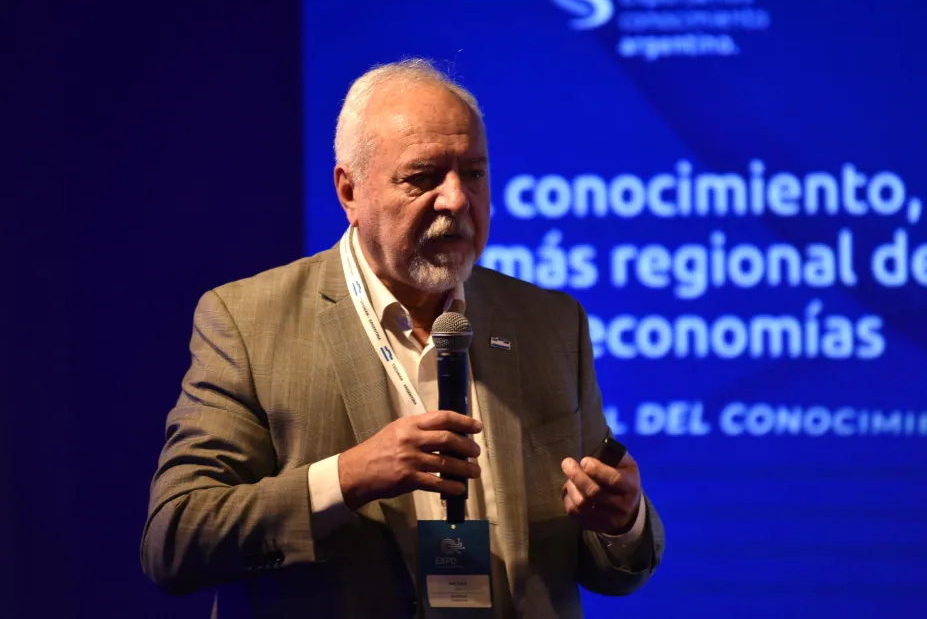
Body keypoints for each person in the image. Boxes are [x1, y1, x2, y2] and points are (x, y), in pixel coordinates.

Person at [141, 59, 665, 617]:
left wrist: (621, 521)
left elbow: (609, 566)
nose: (457, 200)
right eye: (424, 177)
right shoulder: (249, 321)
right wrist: (348, 477)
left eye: (475, 173)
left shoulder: (549, 323)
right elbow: (177, 536)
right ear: (349, 191)